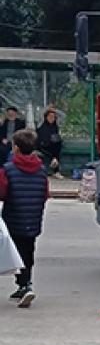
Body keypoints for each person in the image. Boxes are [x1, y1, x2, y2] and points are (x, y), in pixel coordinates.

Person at [0, 128, 49, 308]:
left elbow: (2, 193)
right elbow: (45, 194)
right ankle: (24, 284)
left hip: (13, 218)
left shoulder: (8, 169)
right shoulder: (41, 170)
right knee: (28, 251)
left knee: (16, 253)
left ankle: (24, 285)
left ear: (16, 148)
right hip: (33, 219)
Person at [36, 106, 63, 176]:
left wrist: (55, 110)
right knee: (55, 152)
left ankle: (55, 166)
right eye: (50, 116)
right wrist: (48, 108)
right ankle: (56, 168)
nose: (51, 118)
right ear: (46, 117)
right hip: (41, 145)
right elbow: (40, 113)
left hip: (52, 146)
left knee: (58, 144)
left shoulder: (56, 125)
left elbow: (63, 115)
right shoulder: (41, 123)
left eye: (53, 117)